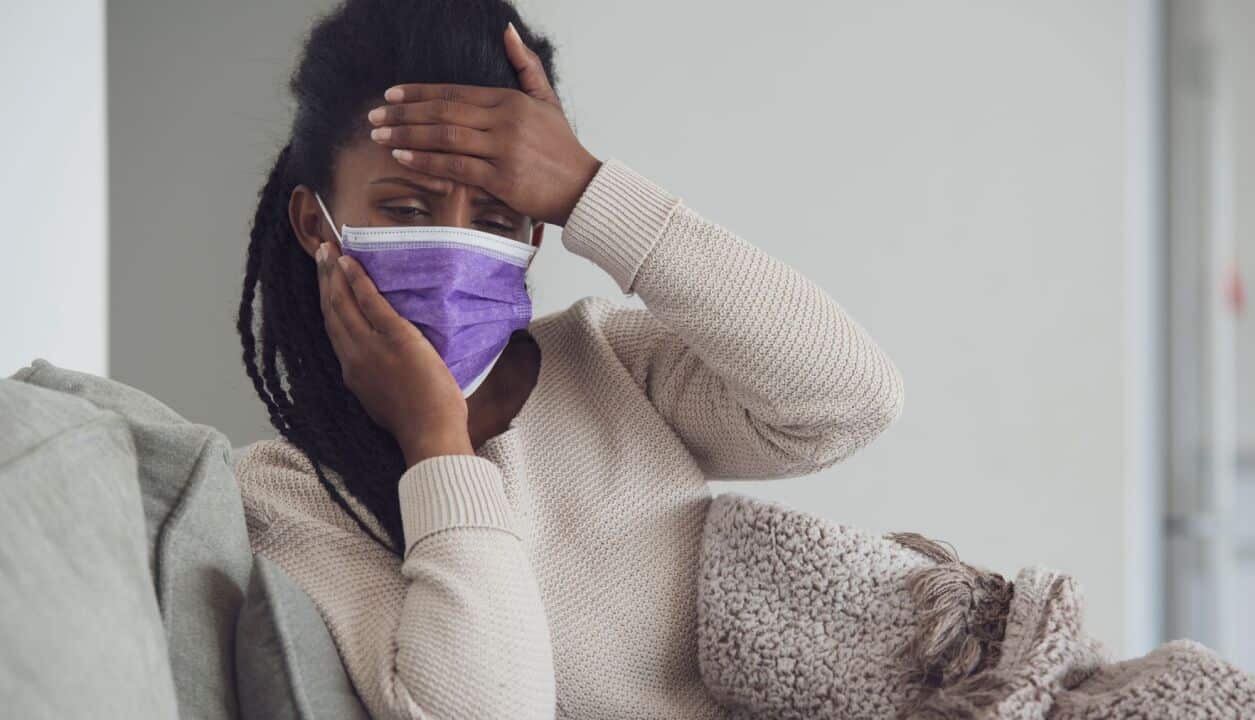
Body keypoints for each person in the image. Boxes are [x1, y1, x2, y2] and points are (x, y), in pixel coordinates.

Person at [234, 0, 905, 718]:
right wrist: (434, 442)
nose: (456, 247)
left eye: (495, 219)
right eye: (406, 209)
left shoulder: (608, 362)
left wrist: (590, 188)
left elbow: (849, 402)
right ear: (315, 224)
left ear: (534, 233)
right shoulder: (289, 496)